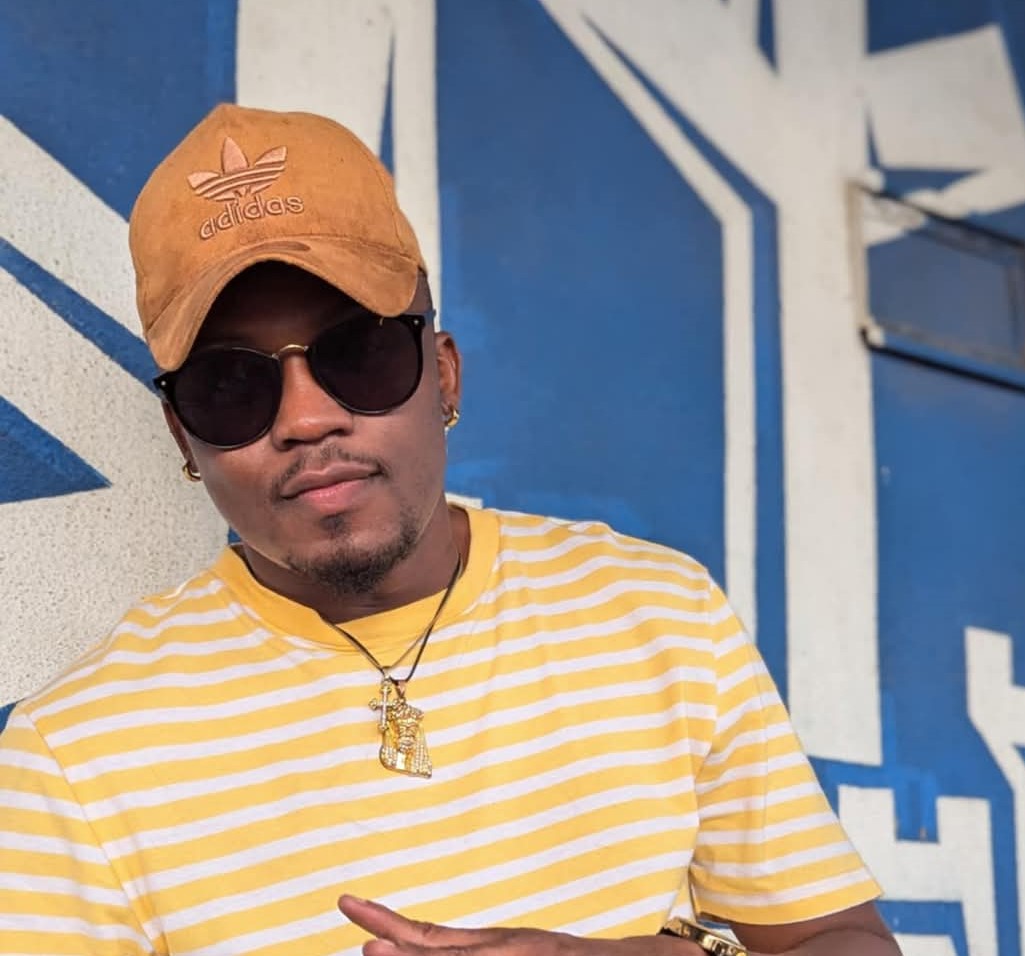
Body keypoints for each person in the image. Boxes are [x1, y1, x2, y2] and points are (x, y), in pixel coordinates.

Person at [0, 104, 900, 956]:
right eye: (230, 386)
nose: (306, 419)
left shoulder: (658, 615)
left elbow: (842, 940)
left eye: (359, 352)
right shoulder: (74, 757)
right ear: (182, 437)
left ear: (444, 376)